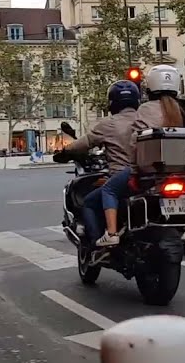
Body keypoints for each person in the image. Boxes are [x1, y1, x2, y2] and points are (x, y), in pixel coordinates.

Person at [94, 64, 185, 247]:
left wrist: (133, 169)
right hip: (175, 171)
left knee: (109, 190)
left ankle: (111, 233)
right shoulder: (184, 109)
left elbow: (135, 141)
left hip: (147, 171)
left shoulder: (145, 109)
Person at [55, 80, 142, 246]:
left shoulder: (109, 124)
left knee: (89, 201)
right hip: (148, 176)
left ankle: (98, 243)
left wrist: (64, 152)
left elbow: (85, 142)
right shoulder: (145, 120)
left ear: (112, 102)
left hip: (123, 177)